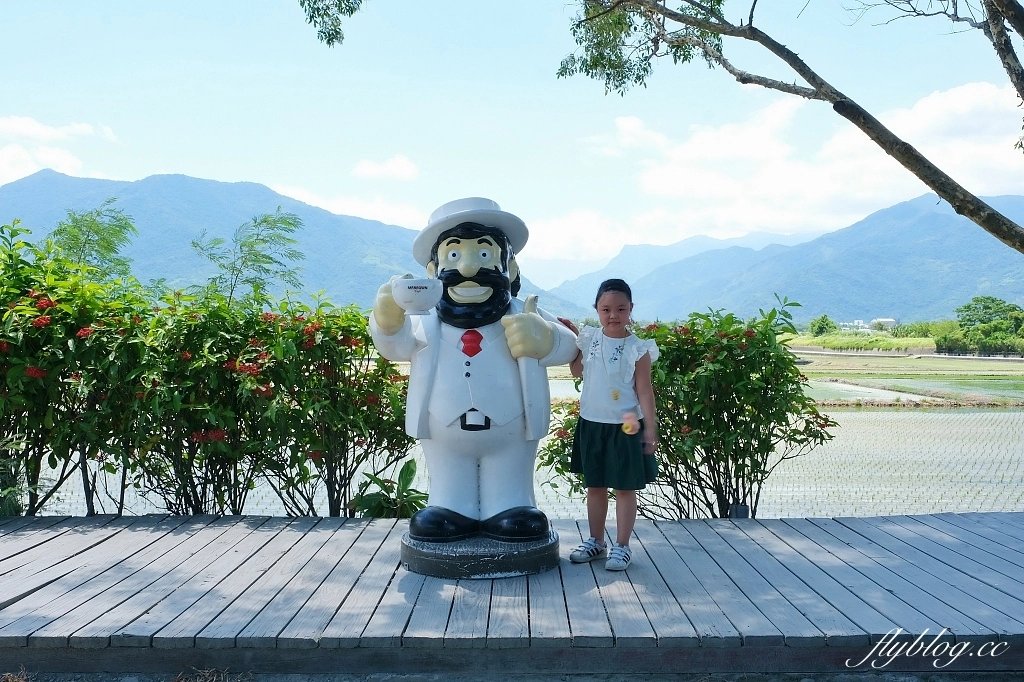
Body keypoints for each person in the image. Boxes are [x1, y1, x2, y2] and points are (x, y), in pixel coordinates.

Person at [369, 197, 578, 544]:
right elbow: (395, 346)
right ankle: (450, 505)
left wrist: (546, 339)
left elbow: (570, 344)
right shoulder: (424, 320)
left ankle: (510, 504)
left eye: (483, 254)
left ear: (510, 269)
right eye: (454, 255)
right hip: (443, 427)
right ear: (433, 272)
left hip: (512, 427)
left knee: (511, 491)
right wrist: (388, 322)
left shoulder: (525, 314)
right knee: (448, 483)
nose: (467, 268)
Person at [559, 279, 658, 571]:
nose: (613, 315)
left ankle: (622, 546)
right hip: (592, 422)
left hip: (626, 424)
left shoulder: (638, 349)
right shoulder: (590, 339)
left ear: (630, 309)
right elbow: (577, 371)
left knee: (625, 488)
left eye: (621, 309)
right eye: (606, 309)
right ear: (597, 310)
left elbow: (645, 391)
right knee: (596, 485)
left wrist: (650, 429)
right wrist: (575, 339)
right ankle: (596, 541)